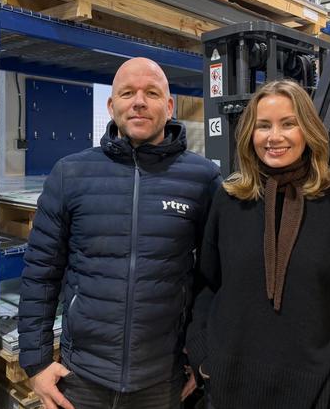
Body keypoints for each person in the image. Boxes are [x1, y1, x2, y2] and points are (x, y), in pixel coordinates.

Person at [18, 57, 221, 409]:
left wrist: (201, 352)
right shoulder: (70, 174)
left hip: (162, 378)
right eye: (128, 93)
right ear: (112, 106)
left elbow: (213, 278)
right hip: (82, 377)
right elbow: (41, 273)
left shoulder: (202, 179)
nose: (139, 101)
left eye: (151, 93)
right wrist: (36, 362)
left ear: (169, 106)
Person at [186, 80, 330, 409]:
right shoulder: (229, 201)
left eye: (288, 124)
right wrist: (204, 359)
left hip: (315, 399)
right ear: (249, 134)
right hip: (228, 395)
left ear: (308, 130)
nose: (274, 137)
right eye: (263, 125)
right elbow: (206, 287)